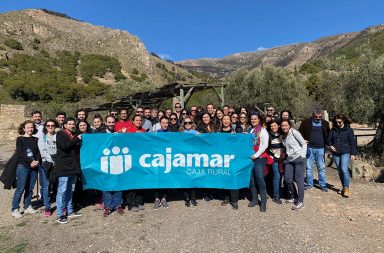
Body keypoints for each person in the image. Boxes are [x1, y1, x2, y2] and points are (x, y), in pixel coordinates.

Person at [11, 120, 41, 218]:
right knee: (20, 188)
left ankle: (27, 206)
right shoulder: (20, 139)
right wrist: (30, 161)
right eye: (28, 127)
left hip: (34, 167)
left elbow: (38, 153)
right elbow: (20, 153)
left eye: (31, 127)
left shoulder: (36, 139)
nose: (30, 129)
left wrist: (36, 161)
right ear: (24, 129)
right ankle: (15, 209)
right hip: (23, 167)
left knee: (30, 188)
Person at [55, 117, 82, 224]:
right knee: (62, 190)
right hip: (64, 167)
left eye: (73, 124)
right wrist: (77, 139)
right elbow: (65, 146)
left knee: (71, 189)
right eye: (70, 124)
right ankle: (60, 214)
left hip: (74, 167)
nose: (72, 125)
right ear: (65, 125)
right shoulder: (60, 134)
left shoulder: (75, 135)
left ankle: (70, 211)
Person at [299, 108, 330, 192]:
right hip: (309, 148)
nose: (318, 118)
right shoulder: (305, 122)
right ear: (313, 116)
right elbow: (300, 132)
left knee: (321, 167)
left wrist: (329, 145)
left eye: (320, 117)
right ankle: (309, 184)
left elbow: (328, 134)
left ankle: (323, 185)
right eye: (316, 117)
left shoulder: (325, 123)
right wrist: (303, 140)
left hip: (320, 148)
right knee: (309, 167)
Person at [328, 114, 357, 198]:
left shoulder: (349, 130)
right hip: (335, 153)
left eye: (339, 122)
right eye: (336, 122)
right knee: (340, 170)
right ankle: (344, 187)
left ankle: (346, 188)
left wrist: (353, 153)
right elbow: (328, 140)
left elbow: (352, 142)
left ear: (343, 121)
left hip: (345, 152)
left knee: (344, 169)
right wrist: (330, 146)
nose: (338, 124)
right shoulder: (333, 130)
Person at [281, 120, 307, 210]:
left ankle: (300, 201)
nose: (284, 127)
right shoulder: (283, 136)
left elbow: (304, 143)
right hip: (289, 160)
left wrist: (302, 156)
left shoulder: (294, 132)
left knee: (299, 180)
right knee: (288, 179)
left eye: (286, 125)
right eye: (283, 125)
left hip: (298, 158)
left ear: (289, 126)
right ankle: (295, 196)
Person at [248, 112, 269, 212]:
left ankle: (263, 202)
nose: (253, 120)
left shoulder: (263, 130)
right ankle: (254, 199)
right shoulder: (250, 130)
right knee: (251, 179)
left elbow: (265, 145)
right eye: (252, 119)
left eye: (255, 119)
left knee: (259, 178)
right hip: (250, 158)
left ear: (259, 120)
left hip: (259, 158)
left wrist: (255, 155)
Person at [38, 119, 59, 217]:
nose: (50, 127)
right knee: (46, 186)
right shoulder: (42, 138)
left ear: (55, 126)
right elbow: (43, 151)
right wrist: (53, 161)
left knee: (58, 185)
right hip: (47, 163)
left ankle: (60, 205)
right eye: (48, 125)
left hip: (58, 162)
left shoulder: (58, 136)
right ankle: (47, 207)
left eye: (52, 125)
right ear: (45, 127)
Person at [125, 115, 146, 212]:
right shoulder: (128, 131)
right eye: (136, 120)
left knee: (140, 182)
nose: (138, 122)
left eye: (140, 120)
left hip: (141, 160)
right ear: (132, 121)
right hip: (130, 160)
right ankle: (131, 203)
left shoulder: (144, 131)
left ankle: (139, 201)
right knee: (131, 182)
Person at [219, 115, 240, 210]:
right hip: (222, 158)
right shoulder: (218, 132)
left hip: (233, 159)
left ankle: (234, 200)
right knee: (225, 178)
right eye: (224, 119)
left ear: (230, 121)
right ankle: (226, 198)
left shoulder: (234, 132)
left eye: (228, 119)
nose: (226, 121)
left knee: (233, 178)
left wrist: (236, 136)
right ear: (222, 120)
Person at [180, 116, 198, 207]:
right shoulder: (180, 133)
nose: (187, 124)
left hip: (193, 158)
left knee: (193, 178)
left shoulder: (195, 132)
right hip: (183, 159)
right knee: (185, 179)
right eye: (185, 123)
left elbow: (204, 139)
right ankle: (187, 198)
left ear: (192, 123)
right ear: (183, 124)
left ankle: (193, 198)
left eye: (189, 122)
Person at [153, 116, 171, 209]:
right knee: (157, 179)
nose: (165, 124)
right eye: (163, 123)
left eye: (166, 123)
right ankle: (156, 198)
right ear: (160, 124)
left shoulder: (171, 134)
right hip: (158, 159)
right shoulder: (156, 133)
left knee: (165, 179)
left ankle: (164, 198)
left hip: (167, 159)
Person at [267, 119, 284, 204]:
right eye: (271, 126)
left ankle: (283, 192)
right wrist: (271, 157)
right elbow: (267, 148)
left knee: (281, 176)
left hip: (283, 159)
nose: (273, 127)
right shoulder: (269, 136)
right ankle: (276, 196)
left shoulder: (283, 134)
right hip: (275, 159)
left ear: (278, 126)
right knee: (277, 175)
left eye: (275, 125)